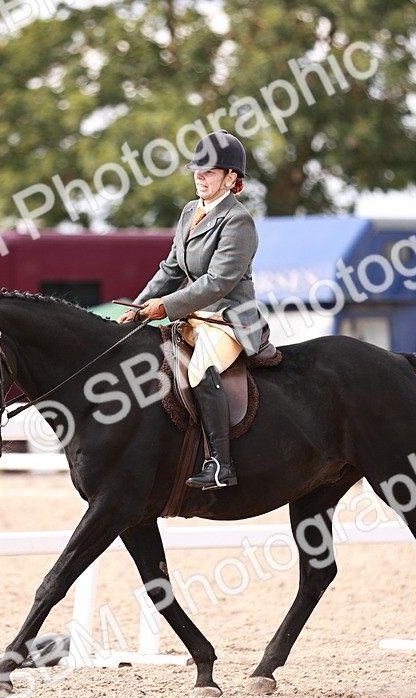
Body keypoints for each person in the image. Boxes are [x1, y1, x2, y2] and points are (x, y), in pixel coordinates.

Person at [118, 130, 270, 490]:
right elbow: (171, 269)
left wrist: (165, 306)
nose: (200, 177)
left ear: (232, 178)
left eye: (210, 171)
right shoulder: (190, 211)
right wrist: (138, 307)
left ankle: (220, 464)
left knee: (200, 368)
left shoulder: (239, 221)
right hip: (193, 316)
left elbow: (218, 282)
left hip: (227, 319)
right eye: (197, 171)